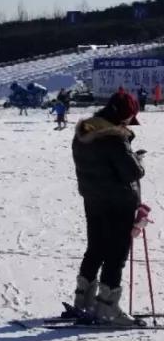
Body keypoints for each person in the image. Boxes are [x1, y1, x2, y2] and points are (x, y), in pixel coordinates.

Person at [69, 90, 144, 324]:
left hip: (93, 200)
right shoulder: (114, 138)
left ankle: (83, 300)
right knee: (116, 254)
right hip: (118, 203)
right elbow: (132, 172)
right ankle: (107, 307)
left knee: (96, 248)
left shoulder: (84, 133)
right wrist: (137, 160)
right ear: (123, 117)